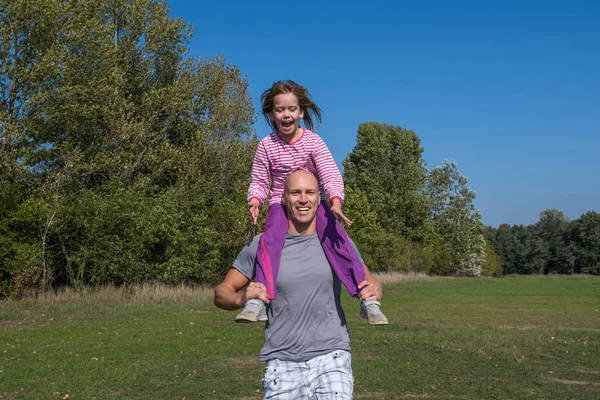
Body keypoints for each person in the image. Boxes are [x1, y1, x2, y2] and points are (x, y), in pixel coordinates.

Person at [214, 170, 385, 399]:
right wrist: (241, 298)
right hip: (282, 362)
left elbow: (370, 281)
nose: (303, 199)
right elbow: (222, 293)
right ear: (284, 198)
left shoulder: (336, 241)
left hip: (332, 356)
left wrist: (375, 289)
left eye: (310, 192)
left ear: (319, 197)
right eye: (295, 193)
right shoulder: (262, 244)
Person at [237, 80, 387, 325]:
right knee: (270, 239)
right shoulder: (266, 145)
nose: (286, 114)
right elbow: (260, 179)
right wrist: (254, 198)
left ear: (301, 112)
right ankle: (259, 300)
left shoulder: (313, 142)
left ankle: (366, 298)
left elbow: (329, 173)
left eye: (292, 109)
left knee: (337, 239)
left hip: (315, 203)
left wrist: (336, 200)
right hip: (280, 203)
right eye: (280, 110)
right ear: (272, 114)